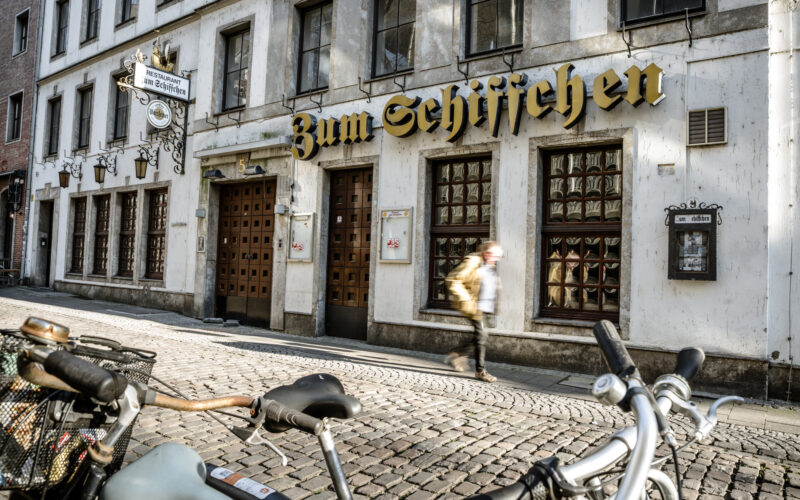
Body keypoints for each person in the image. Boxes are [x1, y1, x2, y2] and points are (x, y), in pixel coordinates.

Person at [444, 241, 503, 382]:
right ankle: (480, 371)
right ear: (486, 253)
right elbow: (453, 279)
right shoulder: (473, 261)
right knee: (481, 336)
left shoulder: (490, 264)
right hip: (473, 306)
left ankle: (458, 354)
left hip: (485, 306)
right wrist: (466, 299)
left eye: (499, 256)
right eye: (495, 255)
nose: (497, 259)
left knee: (480, 336)